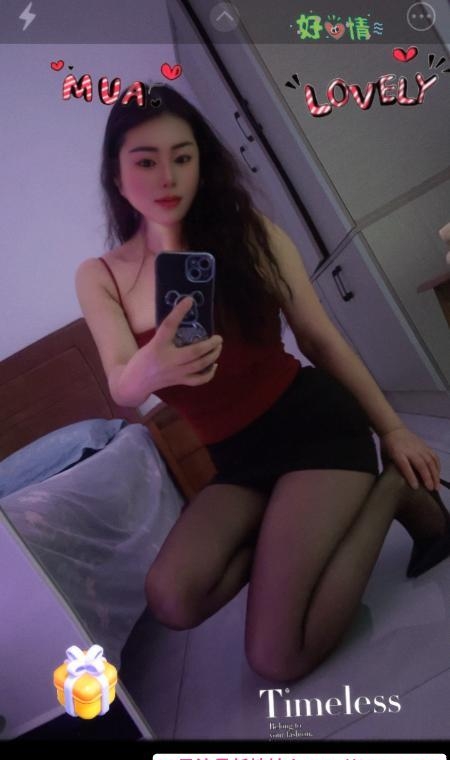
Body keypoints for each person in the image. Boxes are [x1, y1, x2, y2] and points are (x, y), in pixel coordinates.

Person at [76, 83, 450, 682]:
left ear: (201, 164)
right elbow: (123, 384)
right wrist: (154, 365)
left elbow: (321, 340)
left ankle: (392, 491)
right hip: (239, 464)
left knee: (278, 657)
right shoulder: (100, 276)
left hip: (313, 430)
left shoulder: (251, 234)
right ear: (117, 177)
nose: (167, 176)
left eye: (182, 156)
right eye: (145, 161)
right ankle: (293, 526)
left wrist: (394, 429)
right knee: (173, 596)